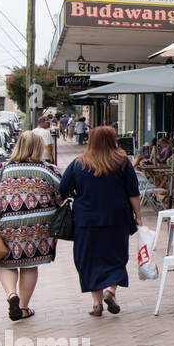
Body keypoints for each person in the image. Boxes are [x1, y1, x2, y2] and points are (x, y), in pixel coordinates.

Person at [58, 125, 144, 317]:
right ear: (113, 140)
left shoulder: (78, 164)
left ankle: (97, 304)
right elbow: (133, 192)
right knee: (116, 256)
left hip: (86, 220)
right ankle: (110, 291)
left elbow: (62, 190)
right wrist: (138, 215)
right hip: (116, 218)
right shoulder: (122, 163)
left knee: (87, 260)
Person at [0, 130, 61, 321]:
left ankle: (11, 295)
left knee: (6, 263)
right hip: (39, 225)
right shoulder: (48, 170)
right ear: (38, 148)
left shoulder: (2, 169)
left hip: (7, 224)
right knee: (30, 264)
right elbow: (61, 194)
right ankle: (23, 307)